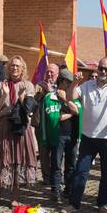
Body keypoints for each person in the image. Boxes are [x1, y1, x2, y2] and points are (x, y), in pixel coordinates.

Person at [68, 57, 107, 212]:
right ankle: (74, 203)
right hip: (89, 136)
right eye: (101, 68)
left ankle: (103, 203)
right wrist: (75, 82)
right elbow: (71, 97)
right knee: (81, 170)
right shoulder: (87, 85)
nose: (103, 71)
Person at [0, 54, 41, 204]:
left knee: (18, 159)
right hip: (4, 126)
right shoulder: (2, 84)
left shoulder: (28, 85)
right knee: (2, 158)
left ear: (22, 68)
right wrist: (4, 94)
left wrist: (22, 97)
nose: (14, 68)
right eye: (12, 65)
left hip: (20, 127)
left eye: (17, 65)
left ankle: (15, 197)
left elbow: (28, 109)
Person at [38, 62, 78, 201]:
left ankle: (69, 189)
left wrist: (65, 101)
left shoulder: (73, 97)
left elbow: (77, 111)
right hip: (57, 135)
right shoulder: (50, 97)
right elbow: (51, 117)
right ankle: (55, 191)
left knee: (71, 165)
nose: (71, 86)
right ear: (62, 82)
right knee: (56, 164)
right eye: (69, 83)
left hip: (72, 135)